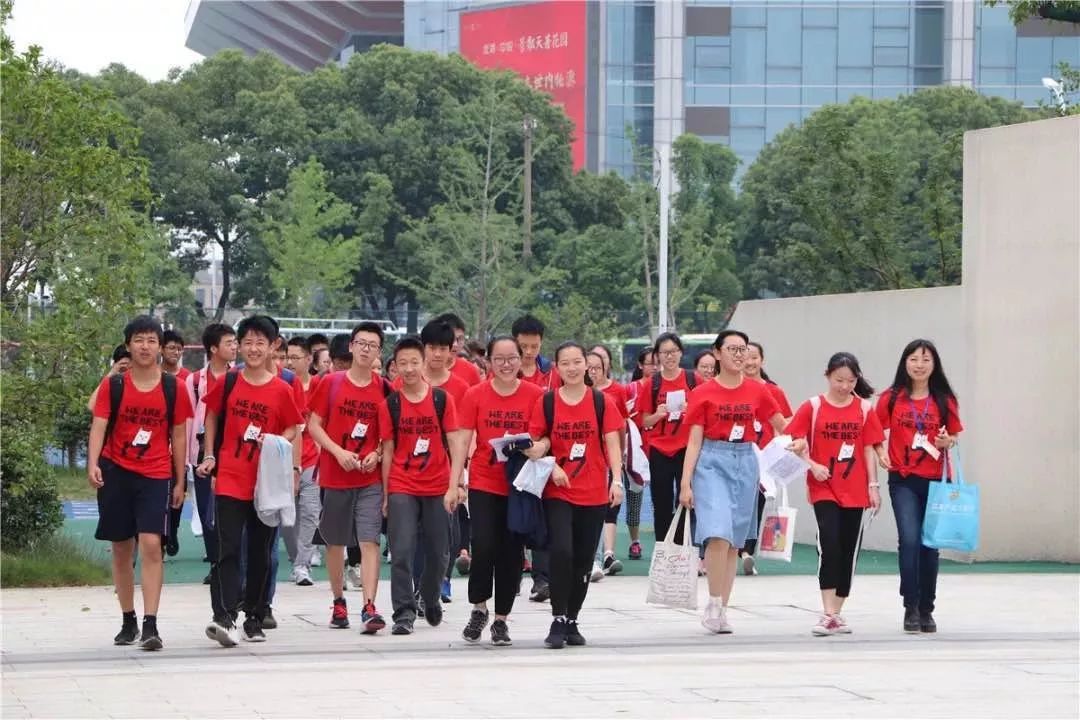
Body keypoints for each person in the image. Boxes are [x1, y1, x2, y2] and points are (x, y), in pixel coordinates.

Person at [196, 315, 303, 647]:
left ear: (273, 347)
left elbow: (293, 427)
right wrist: (210, 455)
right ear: (239, 346)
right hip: (230, 476)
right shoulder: (228, 382)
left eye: (261, 342)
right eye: (248, 342)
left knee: (260, 551)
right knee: (227, 549)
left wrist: (275, 444)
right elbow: (211, 417)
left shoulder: (283, 389)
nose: (254, 349)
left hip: (265, 483)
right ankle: (225, 616)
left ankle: (254, 617)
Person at [87, 315, 193, 651]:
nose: (145, 347)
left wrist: (180, 480)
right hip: (116, 471)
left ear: (160, 348)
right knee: (121, 548)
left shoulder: (172, 387)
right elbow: (99, 425)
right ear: (128, 345)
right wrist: (92, 464)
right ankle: (128, 618)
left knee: (151, 544)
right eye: (139, 340)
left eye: (151, 341)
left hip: (156, 473)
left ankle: (151, 624)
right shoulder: (114, 385)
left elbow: (179, 435)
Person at [679, 330, 788, 634]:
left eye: (743, 350)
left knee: (733, 542)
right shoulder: (702, 392)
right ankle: (713, 602)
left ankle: (722, 607)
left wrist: (802, 438)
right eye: (732, 349)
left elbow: (782, 425)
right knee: (716, 533)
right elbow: (694, 441)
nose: (739, 355)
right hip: (712, 461)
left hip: (745, 461)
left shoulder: (758, 391)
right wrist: (686, 483)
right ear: (716, 353)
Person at [527, 342, 624, 649]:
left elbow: (612, 444)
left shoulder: (602, 402)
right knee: (562, 552)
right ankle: (557, 617)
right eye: (565, 363)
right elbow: (538, 441)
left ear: (587, 366)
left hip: (594, 492)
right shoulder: (548, 402)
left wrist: (617, 481)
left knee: (583, 560)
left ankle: (572, 619)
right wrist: (546, 460)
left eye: (577, 362)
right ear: (556, 367)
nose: (571, 368)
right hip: (558, 491)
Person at [786, 353, 887, 636]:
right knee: (829, 543)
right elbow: (794, 441)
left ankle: (837, 611)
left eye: (850, 380)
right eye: (839, 379)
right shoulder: (813, 407)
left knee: (848, 550)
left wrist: (874, 486)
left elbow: (869, 447)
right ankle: (827, 611)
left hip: (856, 489)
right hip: (823, 487)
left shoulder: (865, 410)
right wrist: (811, 464)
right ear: (827, 375)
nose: (844, 386)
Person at [456, 336, 544, 646]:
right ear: (489, 362)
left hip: (519, 484)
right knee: (484, 545)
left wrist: (525, 444)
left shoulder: (535, 395)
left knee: (511, 551)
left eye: (511, 358)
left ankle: (501, 619)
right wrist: (456, 481)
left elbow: (540, 437)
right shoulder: (475, 394)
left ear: (522, 359)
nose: (506, 364)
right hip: (483, 480)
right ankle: (479, 607)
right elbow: (463, 440)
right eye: (499, 359)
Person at [379, 336, 467, 636]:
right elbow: (388, 451)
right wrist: (387, 493)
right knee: (401, 550)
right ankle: (403, 611)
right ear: (395, 367)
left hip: (438, 485)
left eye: (414, 362)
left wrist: (454, 485)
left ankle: (430, 596)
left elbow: (456, 444)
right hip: (403, 484)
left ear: (424, 363)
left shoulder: (442, 400)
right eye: (402, 363)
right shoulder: (390, 404)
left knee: (440, 551)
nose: (408, 369)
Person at [307, 322, 391, 633]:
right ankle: (339, 601)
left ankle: (369, 606)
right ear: (351, 347)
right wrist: (337, 452)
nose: (366, 348)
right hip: (335, 475)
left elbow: (389, 436)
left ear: (379, 352)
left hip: (369, 479)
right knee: (335, 542)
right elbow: (314, 424)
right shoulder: (330, 383)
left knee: (369, 540)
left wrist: (378, 453)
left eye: (373, 345)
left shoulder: (384, 389)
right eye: (362, 342)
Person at [877, 339, 962, 634]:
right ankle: (910, 606)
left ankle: (927, 608)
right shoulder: (892, 397)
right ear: (905, 362)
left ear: (934, 364)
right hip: (902, 479)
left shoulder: (944, 399)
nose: (919, 365)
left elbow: (953, 436)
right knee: (910, 540)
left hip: (936, 479)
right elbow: (874, 431)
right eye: (914, 359)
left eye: (926, 360)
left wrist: (945, 441)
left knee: (930, 546)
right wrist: (880, 453)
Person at [185, 323, 238, 584]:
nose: (235, 347)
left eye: (235, 342)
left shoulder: (240, 376)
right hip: (201, 452)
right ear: (213, 348)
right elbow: (188, 420)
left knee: (231, 510)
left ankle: (232, 564)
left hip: (233, 452)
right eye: (229, 342)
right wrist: (186, 459)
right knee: (208, 511)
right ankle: (215, 562)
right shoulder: (194, 381)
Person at [638, 333, 700, 548]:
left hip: (687, 449)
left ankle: (682, 547)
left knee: (685, 500)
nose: (670, 356)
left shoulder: (693, 380)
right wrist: (658, 414)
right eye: (665, 353)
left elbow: (704, 415)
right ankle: (663, 548)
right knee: (661, 502)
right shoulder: (652, 384)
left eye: (673, 351)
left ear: (681, 353)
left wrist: (689, 411)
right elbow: (644, 420)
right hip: (660, 450)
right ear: (657, 356)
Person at [739, 341, 794, 576]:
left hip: (766, 456)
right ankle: (737, 548)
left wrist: (785, 450)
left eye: (755, 357)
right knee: (740, 502)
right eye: (746, 357)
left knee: (759, 502)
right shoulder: (735, 388)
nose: (750, 362)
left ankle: (746, 552)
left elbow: (787, 424)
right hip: (740, 453)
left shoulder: (774, 390)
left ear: (762, 360)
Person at [282, 336, 322, 586]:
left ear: (309, 359)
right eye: (288, 358)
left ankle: (302, 565)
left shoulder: (321, 385)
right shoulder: (283, 384)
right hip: (283, 459)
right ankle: (296, 556)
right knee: (287, 516)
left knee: (310, 513)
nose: (290, 363)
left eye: (295, 358)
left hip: (312, 460)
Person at [586, 349, 629, 578]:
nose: (592, 372)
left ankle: (602, 556)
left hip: (604, 462)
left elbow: (620, 428)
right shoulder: (566, 395)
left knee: (604, 510)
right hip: (578, 465)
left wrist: (618, 464)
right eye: (589, 367)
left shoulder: (610, 396)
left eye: (597, 368)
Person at [433, 312, 482, 387]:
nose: (455, 344)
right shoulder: (420, 369)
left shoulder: (470, 371)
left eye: (460, 339)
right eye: (451, 338)